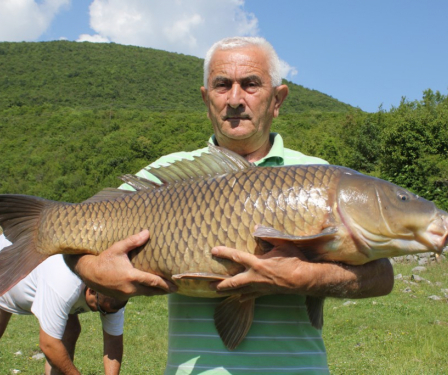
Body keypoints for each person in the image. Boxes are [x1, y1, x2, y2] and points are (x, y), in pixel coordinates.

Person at [65, 36, 394, 374]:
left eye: (251, 84)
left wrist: (307, 277)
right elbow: (75, 239)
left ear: (277, 99)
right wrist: (92, 272)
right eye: (222, 85)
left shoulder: (320, 177)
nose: (235, 99)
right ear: (206, 98)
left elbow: (382, 276)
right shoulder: (165, 175)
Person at [0, 235, 127, 375]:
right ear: (92, 289)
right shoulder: (64, 282)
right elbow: (49, 344)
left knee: (70, 330)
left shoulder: (114, 292)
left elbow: (113, 341)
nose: (105, 315)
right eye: (101, 309)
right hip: (5, 268)